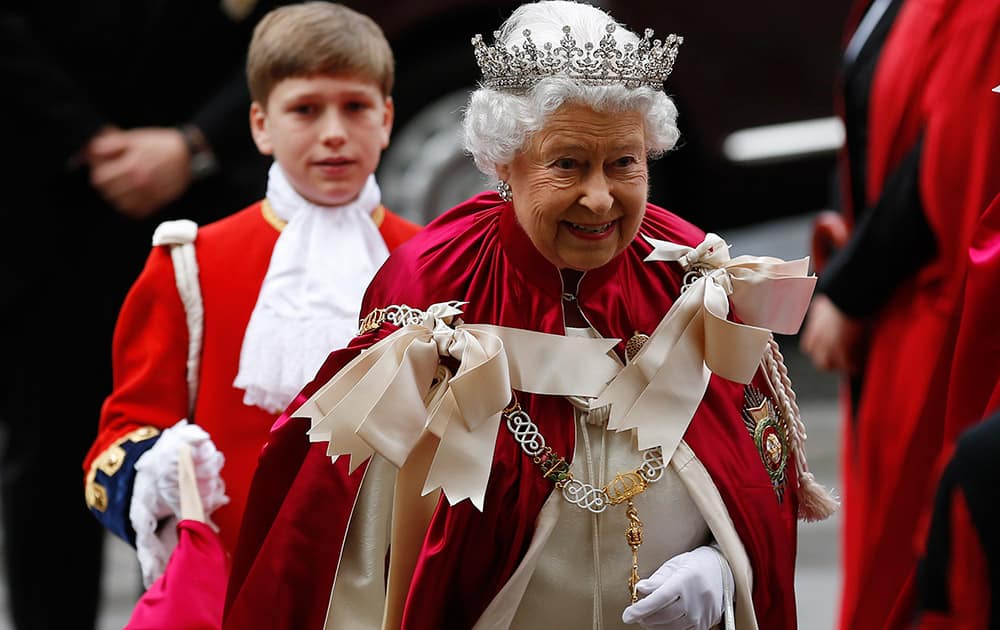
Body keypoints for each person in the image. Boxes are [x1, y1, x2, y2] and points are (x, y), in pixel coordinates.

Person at [223, 2, 836, 628]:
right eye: (567, 164)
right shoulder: (432, 282)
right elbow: (352, 532)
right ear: (502, 161)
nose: (600, 198)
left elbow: (756, 467)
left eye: (624, 163)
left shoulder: (685, 269)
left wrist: (718, 564)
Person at [81, 0, 420, 616]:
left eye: (355, 107)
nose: (334, 132)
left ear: (388, 118)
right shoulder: (191, 263)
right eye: (306, 109)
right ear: (261, 124)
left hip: (389, 593)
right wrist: (152, 467)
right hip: (229, 592)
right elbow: (115, 441)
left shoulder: (436, 260)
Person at [0, 3, 278, 628]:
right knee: (48, 449)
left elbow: (295, 25)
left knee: (223, 454)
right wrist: (86, 138)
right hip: (44, 199)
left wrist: (196, 141)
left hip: (215, 198)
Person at [800, 0, 1000, 627]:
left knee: (909, 555)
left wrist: (849, 289)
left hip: (925, 305)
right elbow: (863, 139)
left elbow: (945, 155)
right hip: (893, 311)